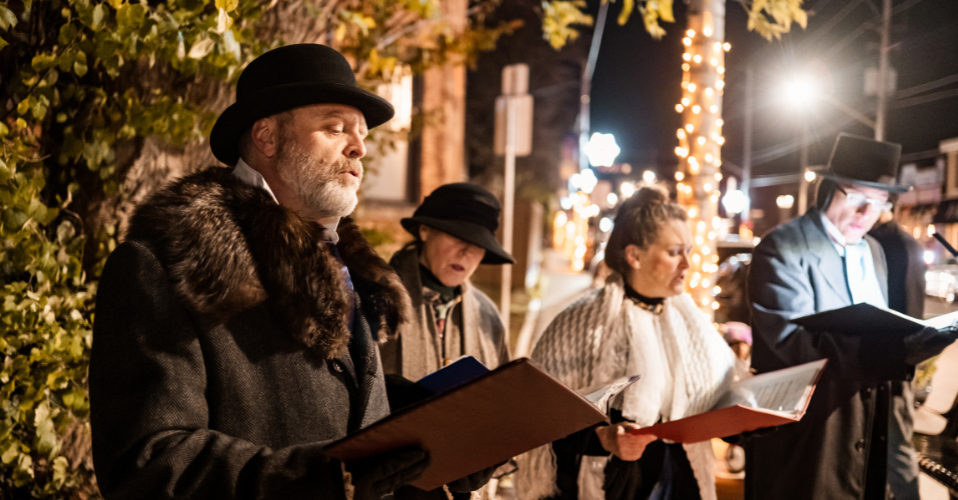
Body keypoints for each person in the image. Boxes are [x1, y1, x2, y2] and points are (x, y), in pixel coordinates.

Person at [88, 44, 488, 500]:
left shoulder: (340, 258)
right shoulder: (166, 265)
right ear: (267, 138)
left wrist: (435, 445)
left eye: (361, 134)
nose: (358, 147)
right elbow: (149, 463)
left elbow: (333, 405)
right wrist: (316, 478)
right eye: (335, 128)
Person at [744, 133, 958, 500]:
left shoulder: (872, 250)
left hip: (866, 432)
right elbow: (789, 347)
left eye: (879, 203)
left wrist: (921, 341)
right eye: (857, 198)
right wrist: (890, 349)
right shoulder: (784, 247)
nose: (866, 214)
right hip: (809, 439)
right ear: (828, 191)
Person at [517, 185, 738, 500]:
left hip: (678, 482)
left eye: (688, 250)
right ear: (635, 255)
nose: (687, 264)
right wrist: (604, 437)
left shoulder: (692, 324)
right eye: (675, 252)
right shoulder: (582, 322)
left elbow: (717, 398)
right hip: (607, 485)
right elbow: (540, 417)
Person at [380, 182, 514, 380]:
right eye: (457, 236)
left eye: (479, 244)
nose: (467, 252)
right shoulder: (375, 300)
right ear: (425, 231)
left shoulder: (488, 315)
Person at [869, 208, 929, 500]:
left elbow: (909, 314)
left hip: (893, 365)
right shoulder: (892, 241)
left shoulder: (895, 245)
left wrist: (900, 361)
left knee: (896, 448)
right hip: (887, 362)